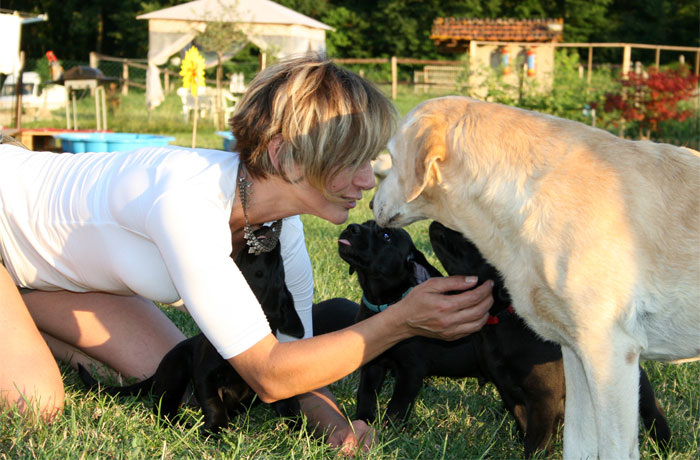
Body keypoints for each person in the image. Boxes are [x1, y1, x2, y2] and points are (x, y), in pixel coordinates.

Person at [0, 55, 493, 453]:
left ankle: (21, 308)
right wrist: (401, 321)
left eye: (369, 161)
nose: (367, 181)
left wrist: (337, 427)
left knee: (180, 383)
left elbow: (294, 354)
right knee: (36, 401)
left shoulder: (281, 224)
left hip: (46, 273)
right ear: (284, 156)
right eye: (351, 162)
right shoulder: (186, 204)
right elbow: (270, 373)